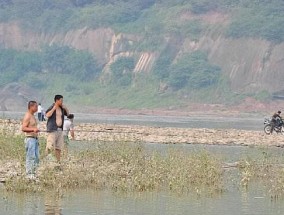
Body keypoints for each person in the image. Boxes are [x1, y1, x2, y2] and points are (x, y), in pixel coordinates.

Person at [45, 95, 70, 163]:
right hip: (52, 129)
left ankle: (58, 161)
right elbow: (47, 115)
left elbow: (68, 115)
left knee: (58, 147)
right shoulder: (51, 107)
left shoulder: (62, 108)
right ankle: (47, 160)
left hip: (60, 130)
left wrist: (66, 108)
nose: (62, 102)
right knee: (50, 145)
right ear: (57, 100)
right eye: (61, 100)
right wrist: (53, 109)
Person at [21, 101, 40, 179]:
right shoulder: (28, 116)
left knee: (36, 157)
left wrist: (36, 130)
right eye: (35, 106)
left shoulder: (33, 116)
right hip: (30, 139)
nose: (37, 108)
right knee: (31, 157)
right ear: (31, 107)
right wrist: (33, 129)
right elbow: (23, 128)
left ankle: (33, 173)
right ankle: (29, 174)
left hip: (35, 139)